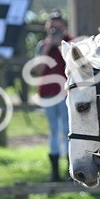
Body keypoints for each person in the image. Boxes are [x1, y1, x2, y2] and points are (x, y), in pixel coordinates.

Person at [33, 11, 73, 181]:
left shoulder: (71, 43)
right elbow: (39, 70)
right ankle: (55, 171)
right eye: (52, 25)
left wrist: (60, 45)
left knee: (67, 129)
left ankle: (71, 169)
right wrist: (49, 46)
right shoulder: (43, 46)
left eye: (58, 25)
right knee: (54, 131)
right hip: (48, 94)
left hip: (65, 93)